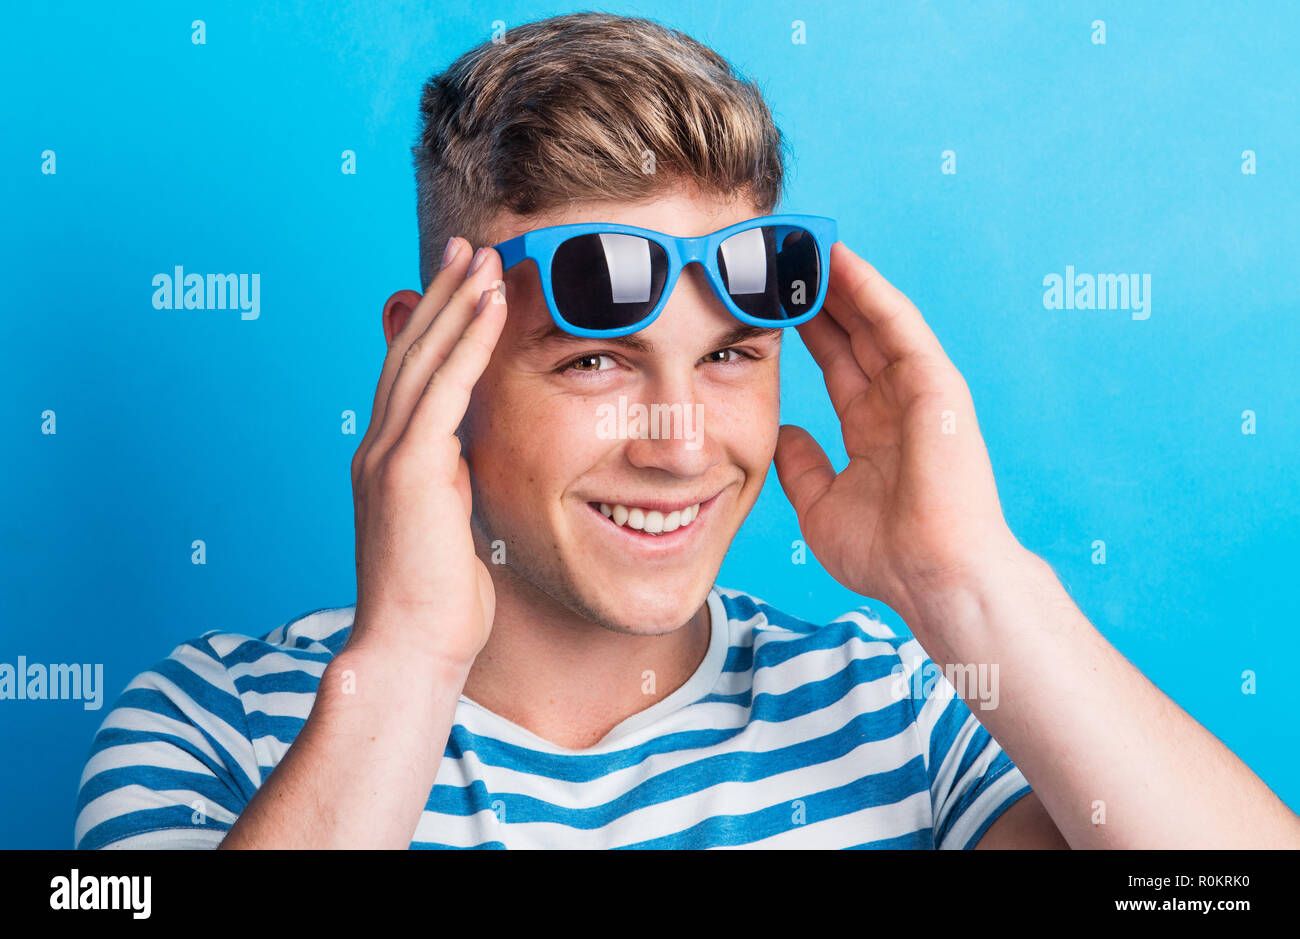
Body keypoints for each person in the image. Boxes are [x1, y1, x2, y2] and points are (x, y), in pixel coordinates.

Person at [75, 12, 1300, 850]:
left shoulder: (896, 707)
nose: (676, 441)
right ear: (427, 362)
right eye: (596, 361)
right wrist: (405, 665)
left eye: (729, 357)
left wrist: (969, 583)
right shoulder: (212, 726)